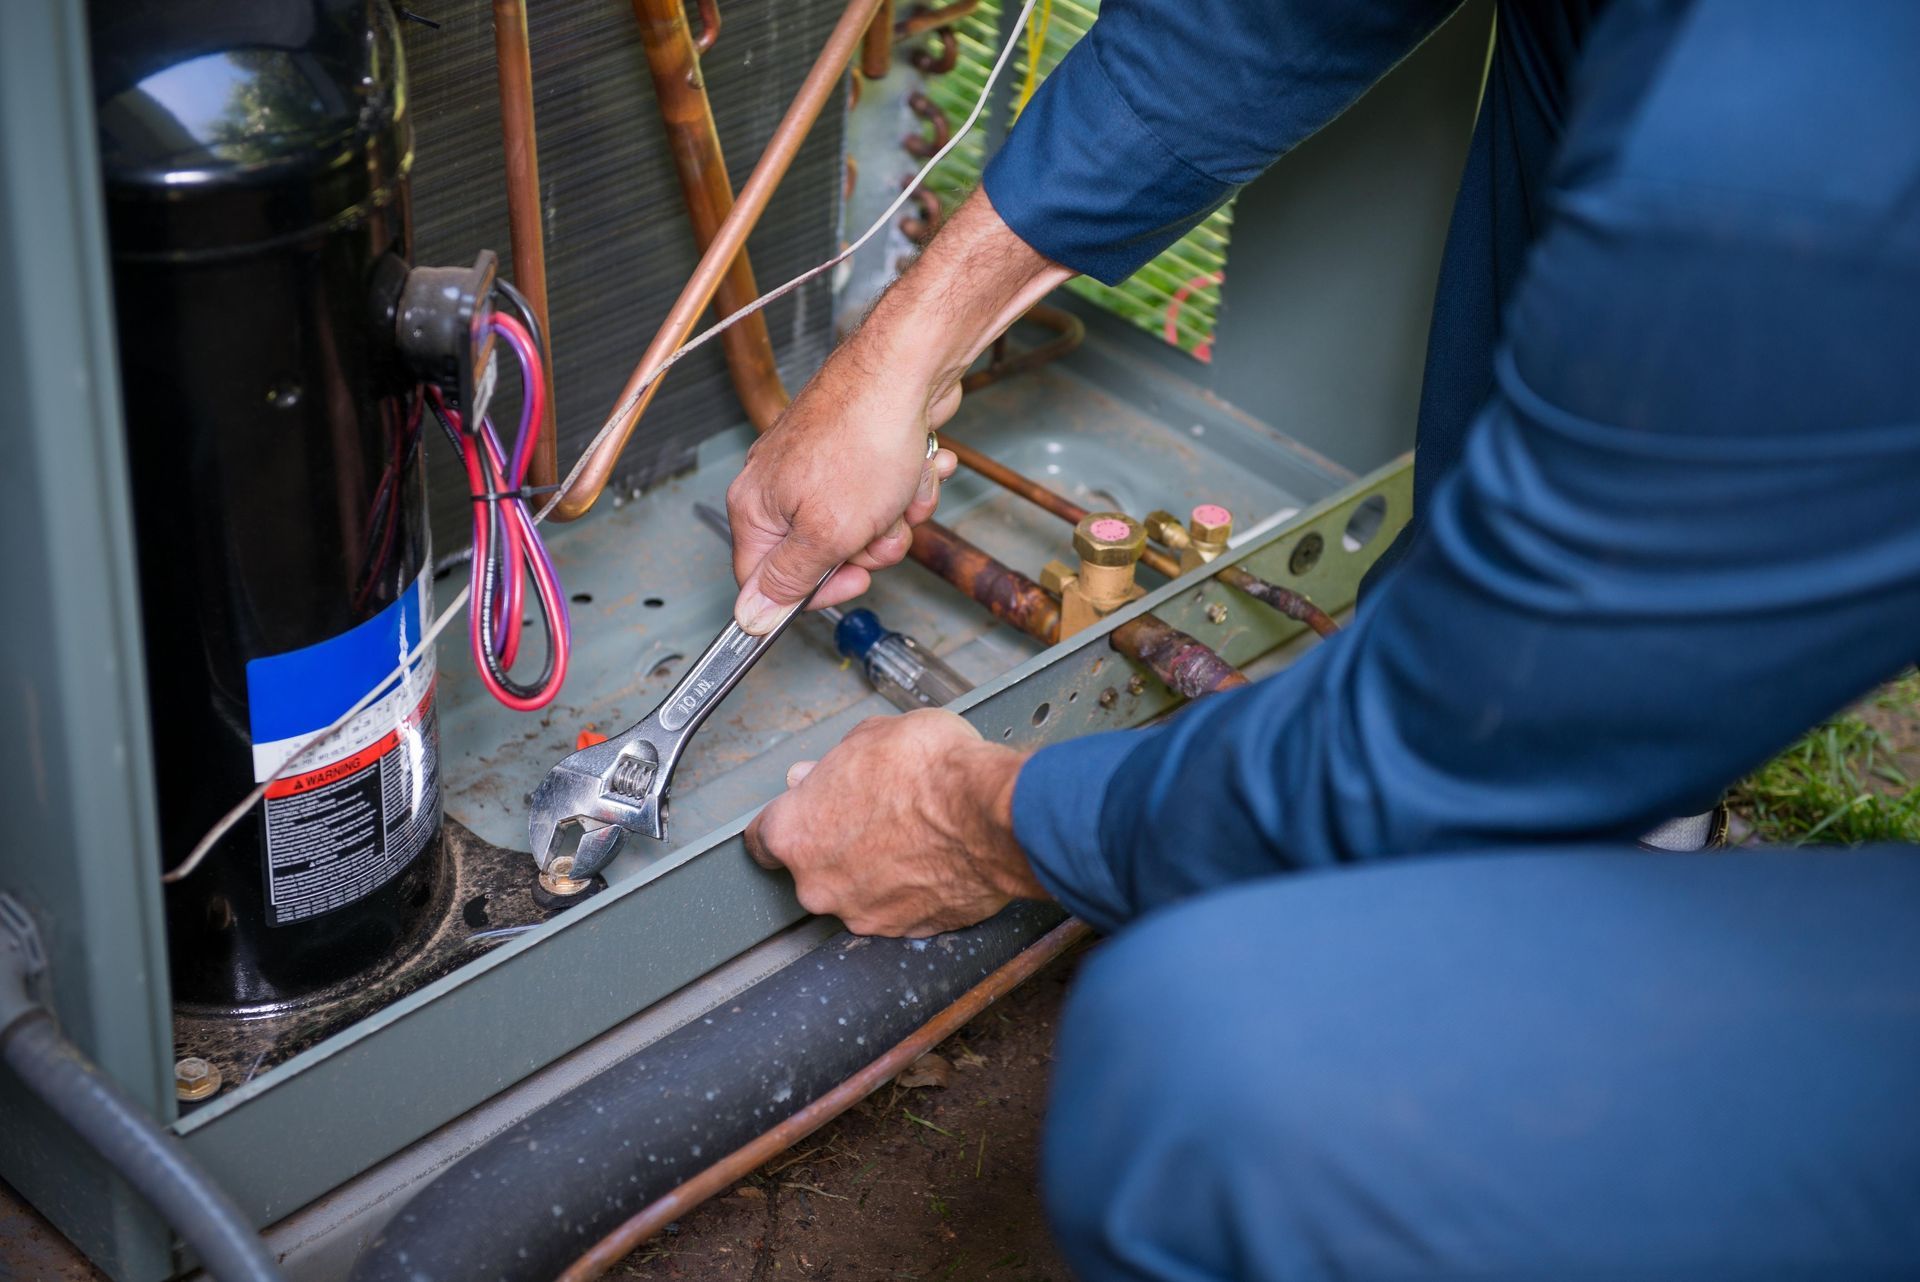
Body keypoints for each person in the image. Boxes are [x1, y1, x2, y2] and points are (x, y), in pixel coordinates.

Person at [729, 0, 1920, 1275]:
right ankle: (1594, 824)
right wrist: (900, 354)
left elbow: (1444, 742)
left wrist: (973, 820)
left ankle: (1571, 876)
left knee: (1219, 1081)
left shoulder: (1809, 147)